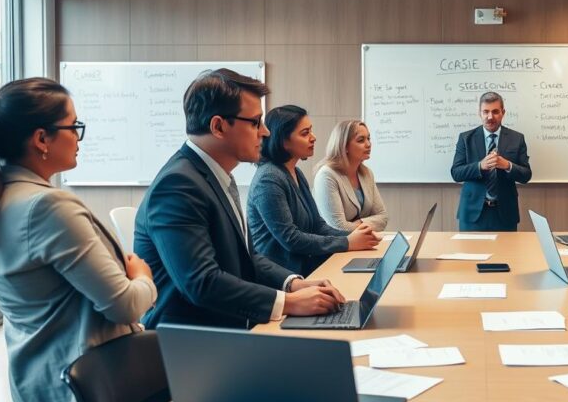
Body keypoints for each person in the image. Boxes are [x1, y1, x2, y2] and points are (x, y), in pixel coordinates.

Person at [0, 78, 156, 402]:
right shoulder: (47, 207)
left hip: (51, 373)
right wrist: (143, 278)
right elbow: (124, 305)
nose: (79, 138)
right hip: (96, 380)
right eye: (74, 127)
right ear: (42, 139)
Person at [134, 69, 345, 329]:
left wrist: (294, 284)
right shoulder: (178, 185)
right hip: (191, 344)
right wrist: (288, 303)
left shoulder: (216, 176)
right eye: (256, 122)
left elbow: (246, 257)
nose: (265, 132)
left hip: (227, 329)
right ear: (219, 126)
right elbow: (202, 283)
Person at [247, 105, 380, 277]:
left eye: (311, 131)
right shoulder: (269, 179)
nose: (314, 138)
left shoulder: (296, 172)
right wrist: (347, 242)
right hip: (283, 279)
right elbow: (291, 239)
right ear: (284, 141)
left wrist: (356, 236)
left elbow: (318, 225)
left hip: (306, 269)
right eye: (305, 133)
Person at [450, 91, 532, 231]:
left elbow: (526, 175)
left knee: (506, 253)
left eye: (495, 111)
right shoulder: (465, 138)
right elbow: (456, 173)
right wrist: (480, 166)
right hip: (472, 214)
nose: (490, 117)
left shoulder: (517, 138)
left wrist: (507, 165)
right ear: (479, 113)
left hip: (505, 214)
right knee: (471, 253)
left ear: (503, 112)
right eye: (485, 112)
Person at [313, 119, 389, 232]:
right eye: (361, 140)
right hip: (335, 247)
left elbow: (383, 217)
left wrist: (359, 223)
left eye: (368, 138)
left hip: (361, 244)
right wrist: (369, 224)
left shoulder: (367, 173)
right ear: (344, 146)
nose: (368, 144)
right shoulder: (327, 175)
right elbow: (337, 228)